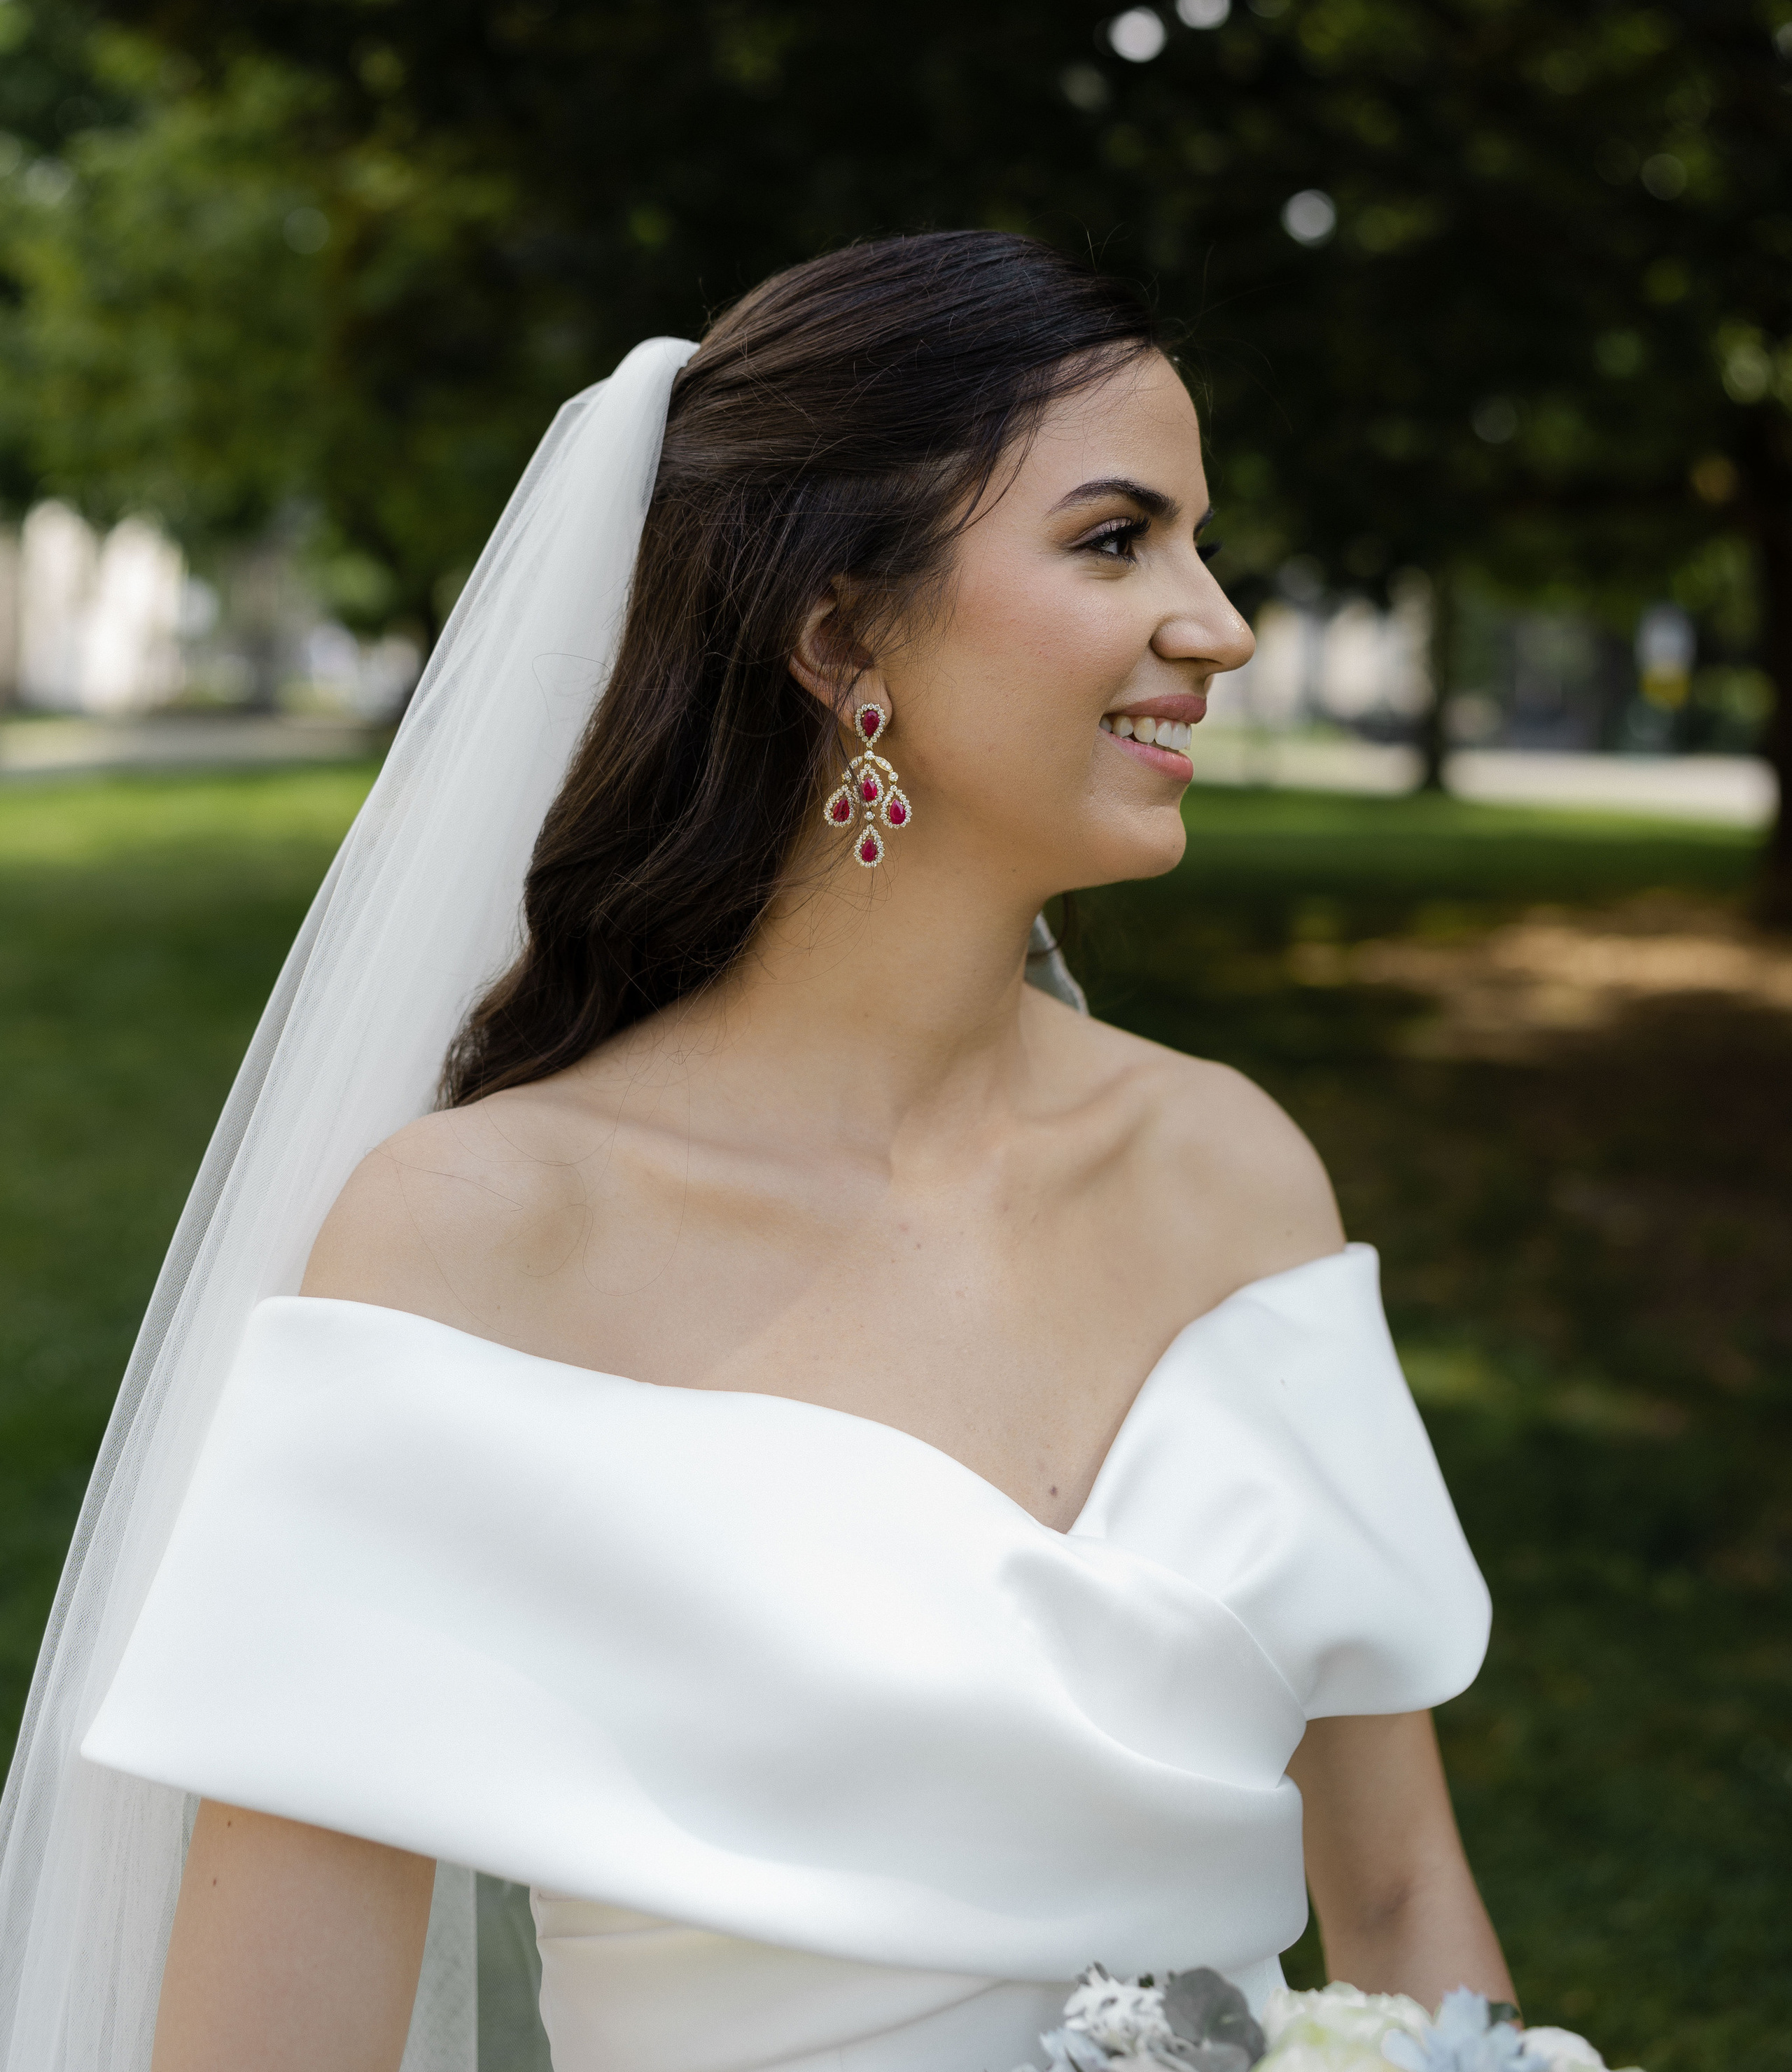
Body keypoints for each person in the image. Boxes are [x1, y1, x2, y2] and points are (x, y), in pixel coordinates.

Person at [1, 234, 1508, 2072]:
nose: (1219, 621)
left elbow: (1412, 1899)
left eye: (1199, 538)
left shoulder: (1234, 1174)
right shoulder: (485, 1240)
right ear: (838, 634)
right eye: (1118, 540)